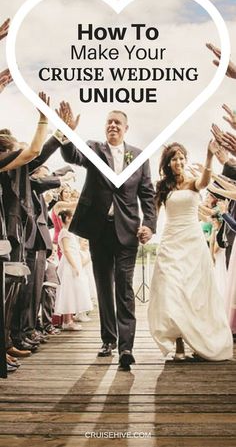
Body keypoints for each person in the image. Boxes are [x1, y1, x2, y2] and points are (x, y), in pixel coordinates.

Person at [58, 102, 156, 370]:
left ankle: (126, 347)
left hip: (127, 231)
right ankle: (108, 340)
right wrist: (67, 134)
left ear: (126, 129)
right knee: (103, 287)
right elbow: (72, 156)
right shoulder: (93, 148)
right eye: (109, 122)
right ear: (106, 127)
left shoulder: (139, 156)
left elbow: (147, 194)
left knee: (124, 287)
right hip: (99, 230)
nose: (112, 125)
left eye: (117, 123)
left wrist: (149, 224)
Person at [148, 141, 233, 361]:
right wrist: (147, 231)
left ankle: (200, 341)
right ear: (168, 163)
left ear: (185, 160)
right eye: (174, 159)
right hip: (170, 242)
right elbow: (153, 215)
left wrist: (209, 156)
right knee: (171, 290)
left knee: (195, 294)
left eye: (181, 158)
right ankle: (178, 345)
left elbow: (204, 182)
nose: (178, 162)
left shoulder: (192, 183)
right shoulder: (162, 187)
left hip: (193, 243)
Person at [55, 209, 93, 330]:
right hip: (68, 265)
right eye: (72, 217)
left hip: (74, 263)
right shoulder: (64, 232)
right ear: (67, 218)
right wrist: (74, 266)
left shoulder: (70, 232)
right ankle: (67, 321)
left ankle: (69, 319)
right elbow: (66, 250)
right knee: (68, 291)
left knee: (72, 291)